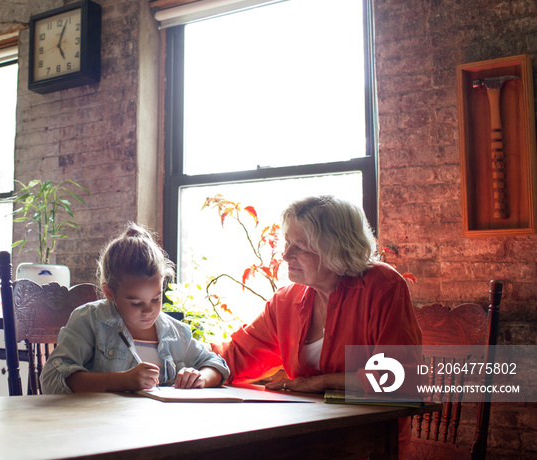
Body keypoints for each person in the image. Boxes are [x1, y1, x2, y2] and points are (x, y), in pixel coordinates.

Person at [211, 195, 422, 457]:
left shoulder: (383, 286)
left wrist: (313, 383)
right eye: (287, 242)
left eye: (300, 246)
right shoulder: (286, 299)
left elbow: (399, 378)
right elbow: (235, 355)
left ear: (337, 248)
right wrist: (169, 352)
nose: (286, 255)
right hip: (303, 433)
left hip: (370, 439)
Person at [41, 223, 229, 394]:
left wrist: (200, 378)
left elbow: (216, 365)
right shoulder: (89, 320)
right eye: (136, 303)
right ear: (109, 292)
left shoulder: (176, 332)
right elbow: (52, 379)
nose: (149, 311)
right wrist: (122, 380)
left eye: (156, 299)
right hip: (102, 426)